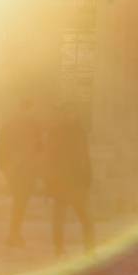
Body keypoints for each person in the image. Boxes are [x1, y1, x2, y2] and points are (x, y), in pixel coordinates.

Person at [44, 104, 95, 257]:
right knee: (85, 217)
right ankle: (89, 249)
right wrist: (87, 179)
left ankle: (59, 249)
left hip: (60, 182)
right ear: (71, 115)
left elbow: (48, 160)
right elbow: (83, 157)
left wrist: (48, 183)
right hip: (76, 182)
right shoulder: (78, 132)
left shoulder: (54, 132)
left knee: (59, 218)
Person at [0, 98, 43, 247]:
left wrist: (4, 167)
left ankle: (14, 234)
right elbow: (39, 149)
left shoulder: (8, 124)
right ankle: (13, 235)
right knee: (20, 202)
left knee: (19, 201)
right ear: (30, 108)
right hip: (26, 170)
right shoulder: (33, 125)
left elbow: (0, 147)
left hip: (13, 169)